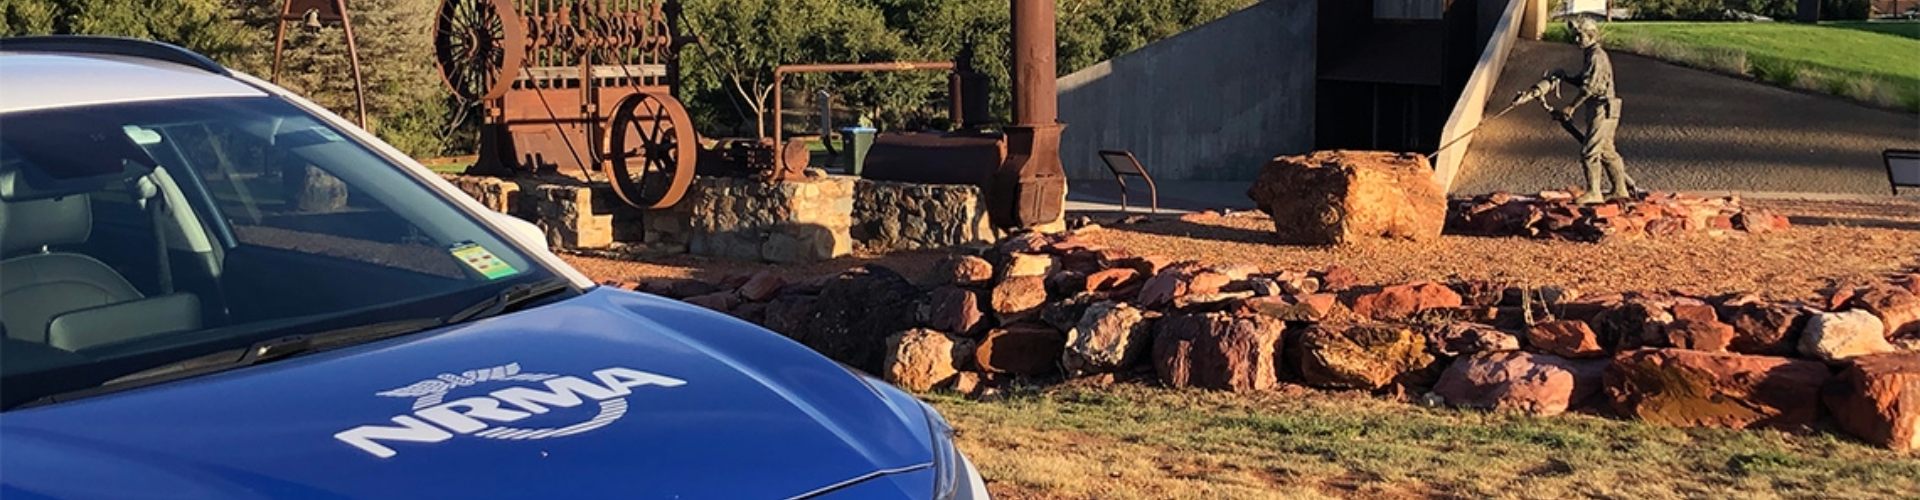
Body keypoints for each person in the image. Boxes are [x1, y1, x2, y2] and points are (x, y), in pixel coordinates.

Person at [1544, 17, 1635, 203]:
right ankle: (1620, 189)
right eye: (1576, 36)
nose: (1577, 40)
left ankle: (1594, 192)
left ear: (1591, 35)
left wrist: (1571, 106)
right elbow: (1583, 80)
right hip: (1600, 107)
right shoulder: (1590, 54)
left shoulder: (1596, 56)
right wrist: (1565, 77)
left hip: (1603, 107)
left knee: (1590, 151)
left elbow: (1589, 87)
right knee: (1607, 151)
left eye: (1580, 36)